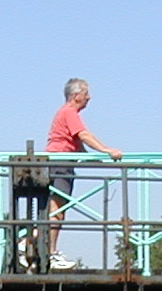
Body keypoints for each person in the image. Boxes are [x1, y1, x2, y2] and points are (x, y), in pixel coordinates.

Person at [35, 78, 122, 271]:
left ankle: (33, 245)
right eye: (86, 93)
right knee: (57, 210)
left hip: (58, 161)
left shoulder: (65, 112)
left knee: (54, 209)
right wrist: (107, 150)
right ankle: (47, 251)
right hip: (60, 163)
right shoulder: (69, 112)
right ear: (76, 96)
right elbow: (83, 135)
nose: (89, 97)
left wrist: (90, 158)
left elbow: (77, 143)